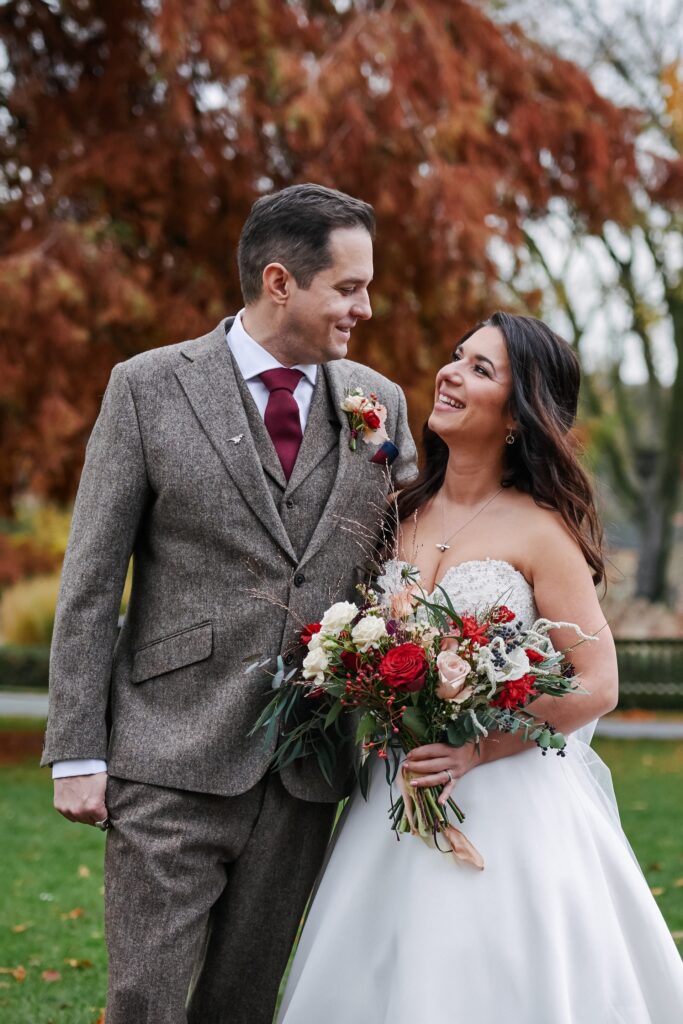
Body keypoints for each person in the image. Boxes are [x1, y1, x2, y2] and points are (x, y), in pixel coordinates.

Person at [41, 183, 417, 1024]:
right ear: (280, 281)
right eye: (347, 287)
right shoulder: (146, 388)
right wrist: (76, 750)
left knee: (243, 1002)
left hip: (305, 765)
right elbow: (92, 580)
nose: (364, 306)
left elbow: (403, 569)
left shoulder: (378, 403)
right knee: (143, 997)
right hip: (166, 749)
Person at [278, 311, 683, 1023]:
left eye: (480, 369)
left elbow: (598, 683)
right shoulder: (395, 513)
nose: (450, 373)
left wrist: (478, 746)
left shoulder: (538, 530)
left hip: (506, 804)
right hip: (392, 796)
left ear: (517, 418)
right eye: (456, 355)